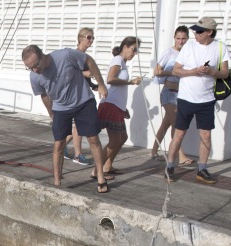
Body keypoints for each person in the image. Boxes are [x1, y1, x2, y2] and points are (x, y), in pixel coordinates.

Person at [22, 44, 110, 192]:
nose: (35, 70)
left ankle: (100, 176)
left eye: (36, 65)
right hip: (60, 108)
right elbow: (44, 95)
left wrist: (101, 84)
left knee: (93, 139)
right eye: (30, 68)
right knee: (59, 144)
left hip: (83, 102)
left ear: (43, 56)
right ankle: (57, 183)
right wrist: (51, 112)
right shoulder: (34, 76)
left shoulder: (66, 56)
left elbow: (89, 61)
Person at [165, 16, 231, 184]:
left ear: (209, 32)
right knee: (179, 134)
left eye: (199, 31)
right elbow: (175, 71)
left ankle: (202, 169)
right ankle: (170, 166)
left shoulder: (220, 47)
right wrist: (194, 71)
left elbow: (225, 73)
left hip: (207, 100)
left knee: (206, 135)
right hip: (186, 98)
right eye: (195, 30)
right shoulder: (188, 46)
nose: (195, 33)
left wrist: (211, 72)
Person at [97, 37, 142, 178]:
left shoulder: (122, 62)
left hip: (117, 106)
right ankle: (97, 171)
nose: (134, 53)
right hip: (110, 105)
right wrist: (130, 81)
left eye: (136, 51)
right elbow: (110, 79)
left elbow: (117, 88)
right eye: (133, 49)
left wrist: (124, 108)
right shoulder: (118, 60)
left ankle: (107, 165)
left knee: (123, 137)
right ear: (125, 47)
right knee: (115, 140)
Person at [150, 26, 193, 164]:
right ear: (174, 38)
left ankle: (154, 150)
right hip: (169, 93)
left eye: (183, 39)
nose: (181, 41)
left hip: (181, 94)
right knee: (177, 124)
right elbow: (156, 71)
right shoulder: (169, 52)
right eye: (178, 38)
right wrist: (174, 72)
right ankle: (181, 156)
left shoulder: (188, 53)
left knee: (166, 124)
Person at [62, 27, 96, 167]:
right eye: (89, 37)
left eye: (93, 38)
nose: (91, 40)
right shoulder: (75, 54)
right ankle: (78, 155)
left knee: (78, 126)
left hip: (81, 94)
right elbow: (68, 72)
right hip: (73, 94)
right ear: (80, 38)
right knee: (79, 127)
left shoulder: (84, 56)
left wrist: (93, 85)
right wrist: (85, 74)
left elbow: (83, 78)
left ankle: (61, 146)